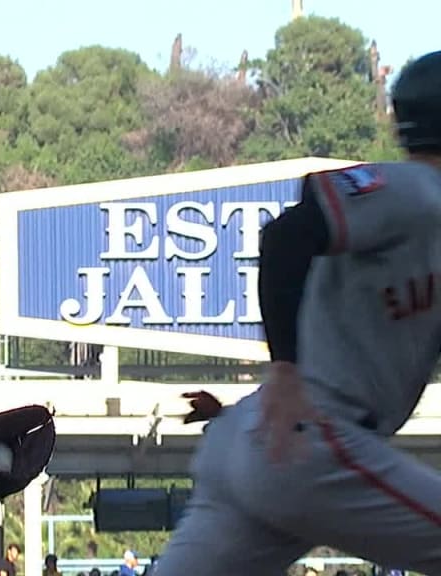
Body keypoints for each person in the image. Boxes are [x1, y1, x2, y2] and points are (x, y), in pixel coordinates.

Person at [155, 51, 441, 575]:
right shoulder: (419, 191)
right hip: (314, 437)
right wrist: (284, 368)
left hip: (261, 439)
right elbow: (287, 233)